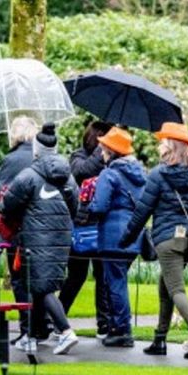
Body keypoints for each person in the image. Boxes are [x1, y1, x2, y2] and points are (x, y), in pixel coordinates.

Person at [119, 122, 188, 359]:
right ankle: (159, 340)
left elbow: (143, 210)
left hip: (166, 239)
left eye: (162, 141)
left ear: (170, 145)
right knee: (165, 287)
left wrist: (127, 238)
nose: (159, 144)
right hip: (186, 240)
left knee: (176, 289)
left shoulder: (158, 174)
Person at [0, 123, 80, 356]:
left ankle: (65, 331)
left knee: (42, 287)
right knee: (39, 285)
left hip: (35, 238)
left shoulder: (29, 176)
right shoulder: (68, 176)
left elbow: (7, 206)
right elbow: (76, 206)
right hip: (60, 237)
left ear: (36, 150)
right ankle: (31, 336)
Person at [87, 126, 147, 347]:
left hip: (113, 236)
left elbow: (100, 206)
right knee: (116, 282)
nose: (101, 151)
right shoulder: (140, 174)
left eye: (103, 147)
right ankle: (117, 327)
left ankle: (123, 330)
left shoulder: (109, 173)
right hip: (134, 235)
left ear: (110, 151)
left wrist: (86, 206)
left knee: (114, 284)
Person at [0, 116, 44, 345]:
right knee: (39, 279)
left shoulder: (11, 160)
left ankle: (27, 329)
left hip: (16, 228)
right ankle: (41, 325)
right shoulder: (41, 157)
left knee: (19, 279)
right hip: (41, 227)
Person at [59, 120, 113, 339]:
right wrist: (101, 153)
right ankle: (58, 319)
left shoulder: (112, 161)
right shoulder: (78, 156)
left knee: (103, 277)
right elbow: (80, 173)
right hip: (81, 226)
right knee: (76, 276)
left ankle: (104, 324)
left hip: (101, 225)